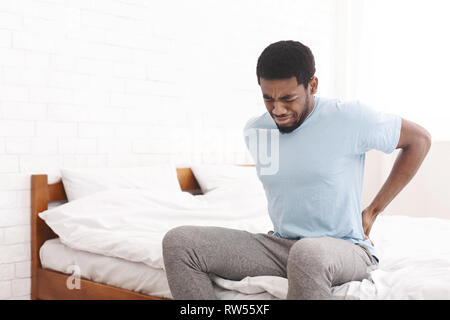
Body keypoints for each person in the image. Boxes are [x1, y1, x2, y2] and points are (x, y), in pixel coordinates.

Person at [162, 40, 432, 299]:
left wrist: (374, 210)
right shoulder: (257, 131)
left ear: (312, 85)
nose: (277, 109)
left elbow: (419, 140)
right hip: (282, 246)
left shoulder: (348, 118)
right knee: (180, 242)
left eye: (288, 98)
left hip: (345, 248)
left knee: (308, 253)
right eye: (268, 99)